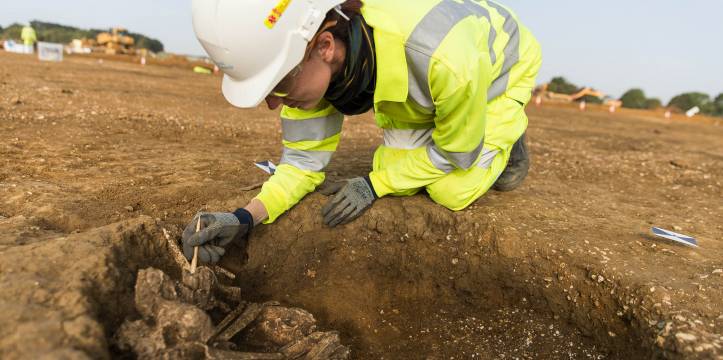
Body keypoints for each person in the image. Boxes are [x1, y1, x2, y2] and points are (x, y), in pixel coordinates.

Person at [183, 0, 542, 265]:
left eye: (277, 85)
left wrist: (375, 184)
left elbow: (455, 153)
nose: (274, 105)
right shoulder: (305, 58)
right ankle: (445, 112)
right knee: (396, 163)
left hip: (494, 70)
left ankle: (508, 134)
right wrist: (245, 216)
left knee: (450, 187)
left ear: (324, 46)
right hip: (433, 75)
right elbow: (303, 162)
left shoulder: (445, 58)